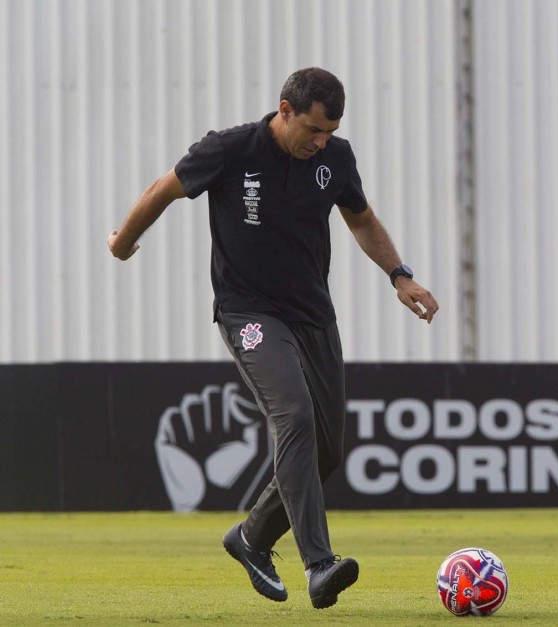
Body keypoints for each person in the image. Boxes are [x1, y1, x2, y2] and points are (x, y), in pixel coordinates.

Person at [108, 67, 439, 609]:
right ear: (284, 110)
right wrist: (123, 242)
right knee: (294, 414)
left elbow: (361, 219)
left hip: (314, 315)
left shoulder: (336, 157)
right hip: (249, 313)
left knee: (328, 449)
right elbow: (161, 189)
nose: (320, 141)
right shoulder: (231, 149)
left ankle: (252, 538)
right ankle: (318, 563)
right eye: (312, 129)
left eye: (330, 131)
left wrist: (400, 274)